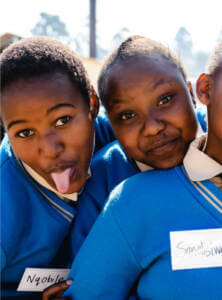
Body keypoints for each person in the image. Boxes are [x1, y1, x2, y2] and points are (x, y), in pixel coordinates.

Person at [63, 28, 222, 299]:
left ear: (193, 93)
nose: (152, 127)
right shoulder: (114, 188)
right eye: (128, 115)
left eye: (165, 100)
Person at [0, 37, 116, 299]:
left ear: (92, 105)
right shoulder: (5, 204)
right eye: (25, 132)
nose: (50, 147)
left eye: (63, 120)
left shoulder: (120, 135)